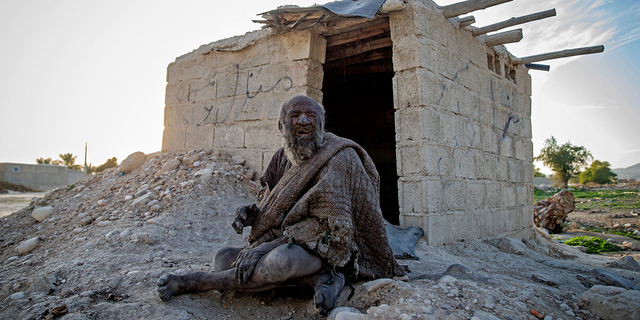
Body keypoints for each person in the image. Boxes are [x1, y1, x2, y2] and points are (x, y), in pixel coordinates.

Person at [157, 95, 405, 314]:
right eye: (295, 115)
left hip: (326, 248)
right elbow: (269, 203)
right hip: (287, 241)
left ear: (320, 123)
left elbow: (330, 230)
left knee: (280, 262)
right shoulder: (281, 157)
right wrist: (249, 214)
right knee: (223, 258)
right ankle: (319, 280)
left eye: (311, 115)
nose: (304, 121)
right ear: (282, 125)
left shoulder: (340, 156)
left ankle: (199, 282)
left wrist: (261, 250)